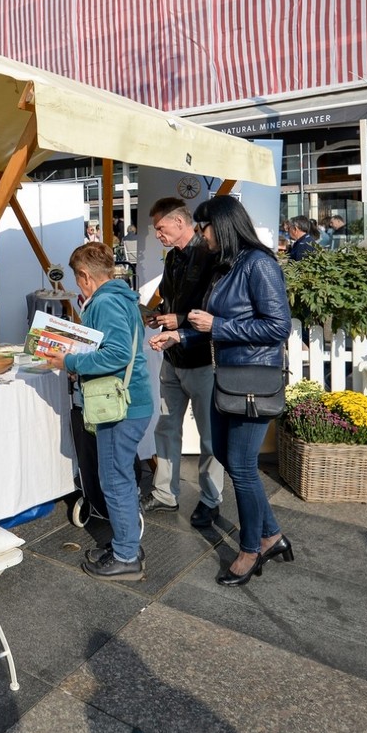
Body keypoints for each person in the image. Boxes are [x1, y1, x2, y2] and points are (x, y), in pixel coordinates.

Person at [149, 196, 293, 587]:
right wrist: (181, 332)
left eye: (206, 226)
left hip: (250, 380)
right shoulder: (231, 264)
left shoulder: (259, 264)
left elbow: (279, 326)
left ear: (223, 226)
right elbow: (215, 320)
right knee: (233, 460)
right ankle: (272, 535)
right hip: (229, 376)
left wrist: (218, 326)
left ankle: (252, 547)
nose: (203, 234)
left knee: (243, 467)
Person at [44, 243, 153, 581]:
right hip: (128, 402)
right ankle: (126, 543)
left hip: (119, 406)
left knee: (114, 479)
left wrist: (71, 361)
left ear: (85, 276)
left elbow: (117, 353)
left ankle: (126, 556)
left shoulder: (105, 302)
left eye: (78, 279)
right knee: (118, 476)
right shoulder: (119, 298)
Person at [142, 198, 225, 528]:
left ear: (179, 223)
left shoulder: (209, 256)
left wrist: (176, 320)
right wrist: (158, 316)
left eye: (160, 228)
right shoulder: (174, 258)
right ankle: (164, 493)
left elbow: (214, 309)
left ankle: (211, 499)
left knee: (209, 437)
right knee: (166, 428)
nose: (158, 234)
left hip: (204, 359)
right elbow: (169, 298)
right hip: (173, 357)